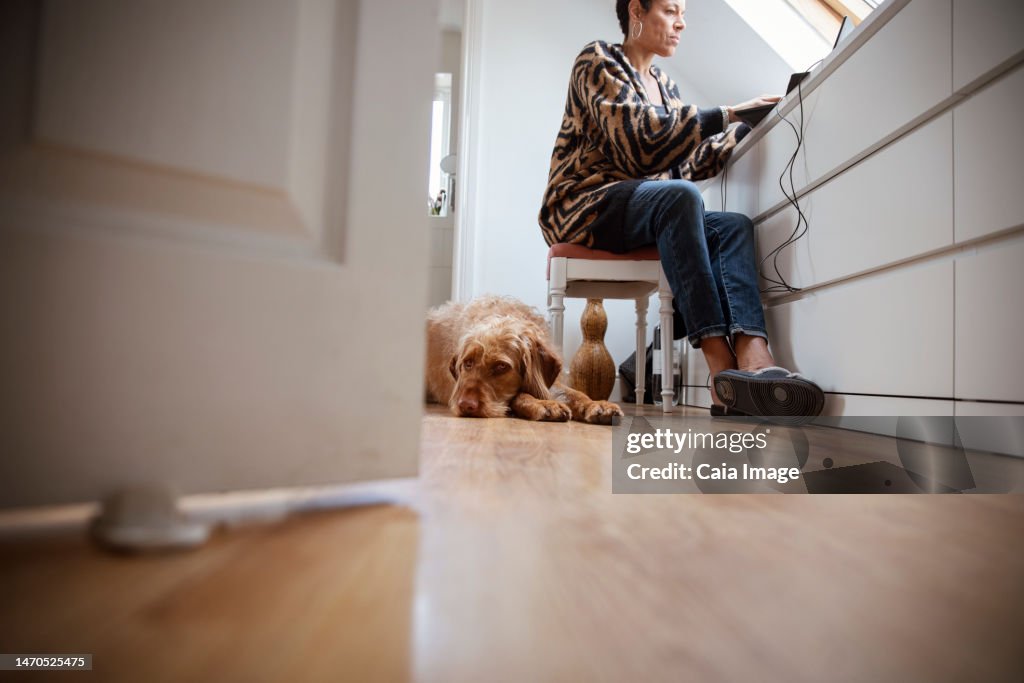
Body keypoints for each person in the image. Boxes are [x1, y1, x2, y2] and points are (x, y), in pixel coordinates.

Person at [538, 0, 824, 419]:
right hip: (584, 205)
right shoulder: (597, 60)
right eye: (671, 10)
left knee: (733, 226)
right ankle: (719, 365)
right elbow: (638, 143)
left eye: (682, 13)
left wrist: (747, 126)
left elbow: (681, 166)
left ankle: (753, 355)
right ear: (637, 10)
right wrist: (727, 113)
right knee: (681, 197)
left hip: (642, 207)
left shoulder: (665, 86)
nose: (682, 23)